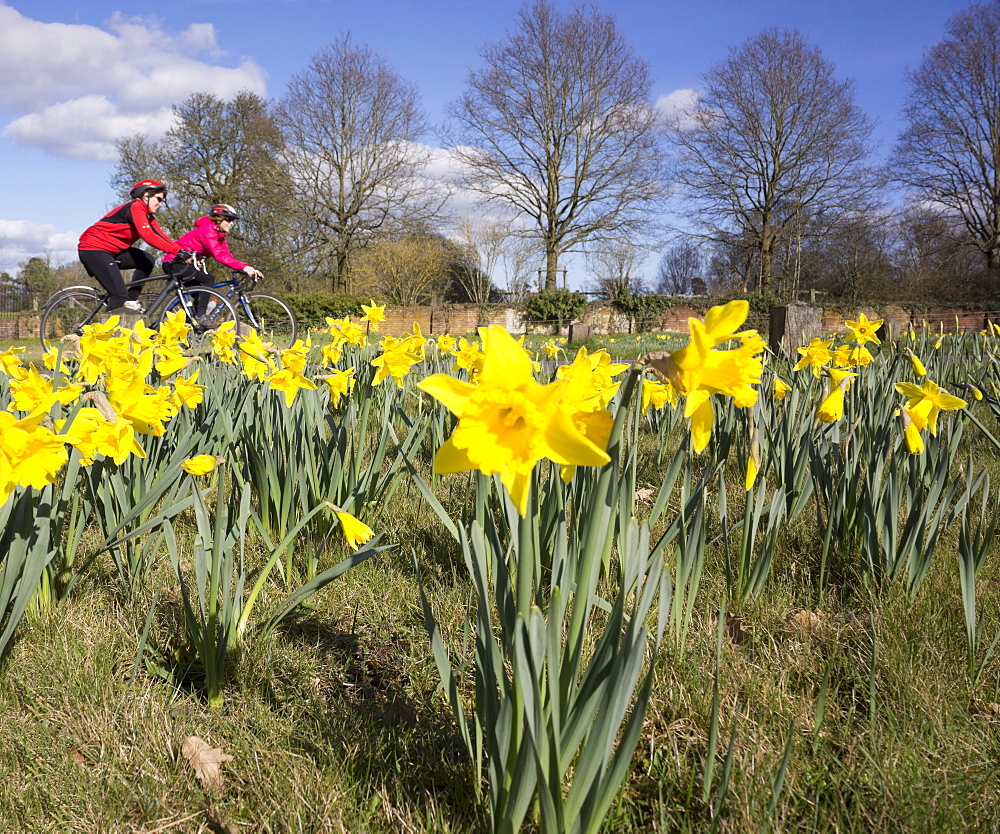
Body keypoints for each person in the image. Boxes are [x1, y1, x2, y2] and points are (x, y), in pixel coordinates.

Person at [78, 179, 190, 313]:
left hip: (113, 250)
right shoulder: (136, 206)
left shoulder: (148, 216)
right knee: (119, 295)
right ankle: (109, 331)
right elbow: (148, 235)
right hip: (94, 249)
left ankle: (131, 301)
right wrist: (177, 251)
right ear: (146, 195)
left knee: (147, 260)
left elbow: (161, 236)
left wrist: (183, 251)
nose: (160, 204)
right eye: (159, 199)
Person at [163, 204, 263, 320]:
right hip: (174, 263)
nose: (231, 223)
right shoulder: (208, 230)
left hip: (184, 264)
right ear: (218, 219)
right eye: (229, 220)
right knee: (208, 278)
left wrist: (246, 267)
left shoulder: (219, 235)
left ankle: (193, 324)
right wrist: (244, 267)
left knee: (199, 297)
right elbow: (218, 254)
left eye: (232, 221)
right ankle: (201, 317)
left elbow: (226, 255)